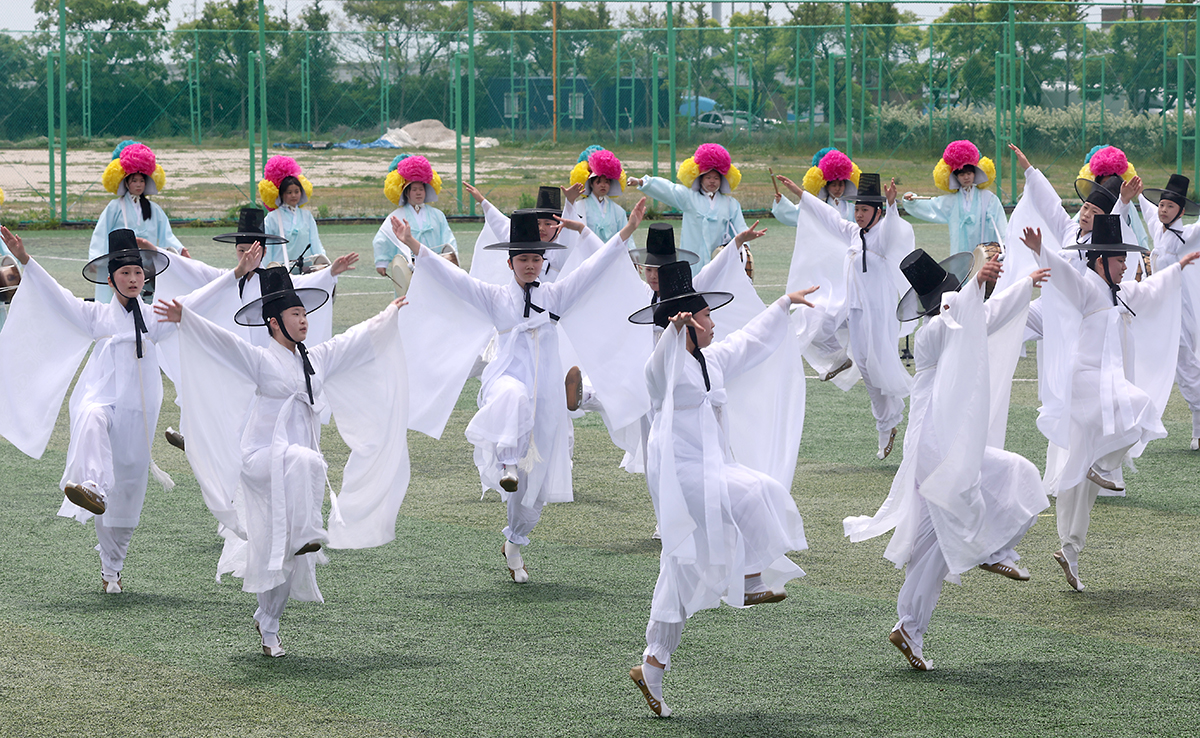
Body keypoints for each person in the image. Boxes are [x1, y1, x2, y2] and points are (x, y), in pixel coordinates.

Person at [157, 266, 410, 657]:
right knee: (308, 461)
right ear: (274, 323)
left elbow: (353, 340)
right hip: (260, 460)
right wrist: (187, 319)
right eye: (295, 315)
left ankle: (268, 620)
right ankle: (307, 531)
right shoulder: (260, 360)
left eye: (305, 314)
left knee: (286, 558)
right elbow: (224, 343)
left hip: (295, 470)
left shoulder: (317, 359)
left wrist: (389, 313)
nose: (304, 320)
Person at [389, 202, 648, 583]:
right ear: (510, 263)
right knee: (512, 398)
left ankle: (515, 539)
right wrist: (412, 243)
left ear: (543, 262)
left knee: (534, 488)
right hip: (506, 379)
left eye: (535, 259)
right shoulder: (495, 297)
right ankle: (508, 461)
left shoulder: (556, 295)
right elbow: (453, 279)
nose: (530, 265)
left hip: (545, 392)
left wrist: (625, 231)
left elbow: (593, 272)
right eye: (522, 259)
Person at [844, 249, 1050, 671]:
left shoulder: (958, 321)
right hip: (935, 447)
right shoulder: (933, 331)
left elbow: (988, 315)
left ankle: (909, 627)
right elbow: (965, 311)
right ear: (946, 297)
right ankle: (994, 549)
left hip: (937, 445)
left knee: (930, 549)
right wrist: (978, 281)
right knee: (1015, 472)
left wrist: (1025, 284)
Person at [627, 259, 816, 718]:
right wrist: (671, 334)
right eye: (706, 316)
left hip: (712, 464)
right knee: (756, 490)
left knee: (679, 568)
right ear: (688, 322)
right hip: (681, 471)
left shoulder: (710, 360)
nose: (714, 322)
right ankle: (750, 576)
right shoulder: (666, 366)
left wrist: (784, 304)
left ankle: (652, 664)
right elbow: (655, 371)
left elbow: (750, 343)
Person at [0, 226, 216, 594]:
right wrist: (24, 259)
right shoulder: (96, 315)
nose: (133, 279)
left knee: (129, 492)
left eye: (137, 273)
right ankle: (93, 485)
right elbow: (57, 297)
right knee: (92, 418)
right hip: (102, 397)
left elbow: (200, 300)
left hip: (141, 410)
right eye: (125, 273)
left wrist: (239, 275)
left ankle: (112, 569)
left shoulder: (154, 317)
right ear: (112, 278)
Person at [1025, 216, 1199, 591]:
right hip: (1085, 382)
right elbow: (1064, 276)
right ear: (1101, 260)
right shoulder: (1087, 287)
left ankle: (1069, 551)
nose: (1126, 266)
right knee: (1142, 408)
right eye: (1121, 260)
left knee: (1078, 484)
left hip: (1103, 387)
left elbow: (1149, 290)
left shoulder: (1118, 291)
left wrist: (1178, 269)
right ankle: (1101, 462)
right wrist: (1041, 249)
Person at [777, 171, 915, 458]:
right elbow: (829, 216)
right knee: (814, 320)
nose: (859, 215)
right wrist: (801, 194)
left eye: (864, 210)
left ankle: (886, 424)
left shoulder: (884, 235)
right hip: (850, 304)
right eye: (857, 209)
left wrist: (891, 206)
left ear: (876, 211)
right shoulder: (854, 232)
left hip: (877, 312)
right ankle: (839, 359)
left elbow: (892, 229)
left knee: (872, 369)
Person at [1138, 174, 1200, 448]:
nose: (1163, 210)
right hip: (1158, 312)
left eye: (1170, 207)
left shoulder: (1188, 234)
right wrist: (1134, 186)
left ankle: (1198, 430)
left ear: (1181, 212)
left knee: (1188, 370)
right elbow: (1147, 209)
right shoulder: (1159, 228)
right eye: (1162, 205)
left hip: (1180, 312)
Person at [88, 141, 185, 302]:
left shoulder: (154, 209)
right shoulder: (114, 207)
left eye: (142, 180)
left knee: (148, 299)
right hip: (121, 263)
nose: (138, 184)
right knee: (119, 299)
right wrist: (96, 257)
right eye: (134, 180)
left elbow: (167, 234)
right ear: (126, 183)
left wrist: (180, 249)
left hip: (147, 264)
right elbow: (101, 232)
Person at [628, 143, 749, 271]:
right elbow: (669, 189)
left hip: (720, 265)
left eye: (716, 178)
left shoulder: (731, 204)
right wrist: (643, 182)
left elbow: (741, 230)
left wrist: (745, 248)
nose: (712, 181)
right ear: (700, 179)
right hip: (693, 264)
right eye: (708, 177)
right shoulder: (689, 197)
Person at [903, 140, 1007, 255]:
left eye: (969, 173)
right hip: (960, 255)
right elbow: (932, 206)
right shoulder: (951, 201)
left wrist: (1005, 244)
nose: (966, 177)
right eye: (962, 174)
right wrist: (911, 201)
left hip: (985, 255)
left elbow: (1001, 225)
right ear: (955, 177)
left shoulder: (989, 198)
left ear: (975, 174)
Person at [372, 154, 459, 293]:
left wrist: (452, 260)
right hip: (408, 271)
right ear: (406, 193)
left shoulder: (438, 215)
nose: (418, 193)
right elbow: (382, 239)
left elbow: (448, 240)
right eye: (414, 189)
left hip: (435, 268)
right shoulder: (396, 216)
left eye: (421, 189)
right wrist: (381, 262)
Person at [260, 155, 329, 270]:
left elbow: (315, 242)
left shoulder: (307, 216)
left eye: (296, 191)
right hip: (280, 271)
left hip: (305, 269)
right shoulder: (272, 218)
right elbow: (267, 247)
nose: (293, 195)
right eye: (289, 192)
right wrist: (266, 270)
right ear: (281, 194)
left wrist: (323, 263)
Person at [773, 147, 860, 226]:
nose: (837, 189)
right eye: (834, 185)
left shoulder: (853, 209)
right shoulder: (819, 206)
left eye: (841, 185)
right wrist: (781, 202)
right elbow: (798, 214)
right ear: (826, 186)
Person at [564, 146, 633, 247]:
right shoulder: (580, 207)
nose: (603, 185)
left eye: (607, 182)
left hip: (611, 257)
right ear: (591, 184)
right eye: (598, 182)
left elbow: (627, 238)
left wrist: (632, 255)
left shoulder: (618, 211)